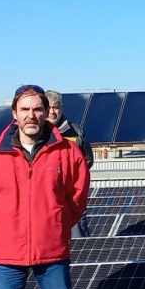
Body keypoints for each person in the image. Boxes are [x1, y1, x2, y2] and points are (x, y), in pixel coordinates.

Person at [0, 85, 90, 289]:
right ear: (14, 113)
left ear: (46, 112)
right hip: (6, 253)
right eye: (24, 109)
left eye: (37, 109)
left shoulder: (67, 152)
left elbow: (77, 197)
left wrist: (57, 225)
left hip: (52, 251)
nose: (31, 115)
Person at [45, 89, 94, 237]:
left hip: (73, 196)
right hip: (48, 196)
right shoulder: (36, 134)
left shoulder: (75, 132)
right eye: (49, 108)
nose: (53, 112)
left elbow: (88, 159)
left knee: (79, 236)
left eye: (56, 107)